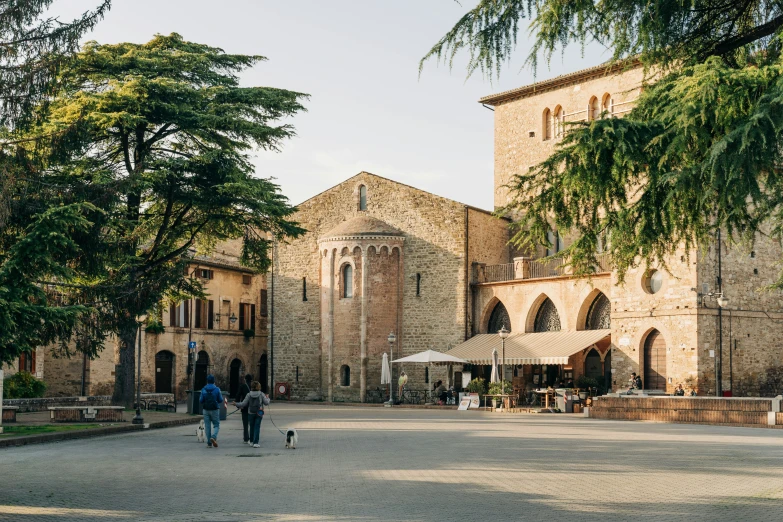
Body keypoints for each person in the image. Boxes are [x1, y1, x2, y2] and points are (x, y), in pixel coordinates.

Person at [234, 381, 267, 448]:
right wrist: (268, 398)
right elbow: (266, 403)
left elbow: (243, 403)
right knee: (257, 427)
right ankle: (256, 442)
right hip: (259, 413)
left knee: (251, 427)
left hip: (250, 412)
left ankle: (251, 441)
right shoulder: (261, 394)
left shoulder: (248, 394)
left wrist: (236, 404)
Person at [199, 374, 223, 448]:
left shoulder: (204, 389)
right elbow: (220, 400)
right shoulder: (217, 389)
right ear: (214, 381)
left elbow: (201, 400)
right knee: (216, 425)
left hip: (206, 409)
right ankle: (214, 436)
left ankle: (209, 443)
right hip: (214, 409)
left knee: (207, 426)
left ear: (207, 381)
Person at [236, 374, 252, 444]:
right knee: (252, 423)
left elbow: (238, 395)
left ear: (245, 379)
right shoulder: (254, 386)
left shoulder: (242, 386)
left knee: (245, 424)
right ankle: (252, 437)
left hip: (244, 407)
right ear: (251, 380)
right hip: (253, 408)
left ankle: (246, 438)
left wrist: (238, 405)